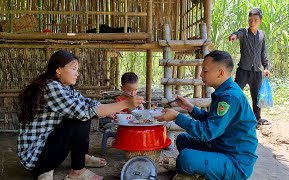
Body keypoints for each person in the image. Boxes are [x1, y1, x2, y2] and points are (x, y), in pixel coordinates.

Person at [17, 50, 144, 180]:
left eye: (77, 69)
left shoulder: (65, 87)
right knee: (81, 117)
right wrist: (125, 104)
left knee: (85, 113)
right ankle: (77, 171)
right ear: (59, 70)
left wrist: (108, 111)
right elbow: (83, 111)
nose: (77, 73)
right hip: (36, 158)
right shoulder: (52, 88)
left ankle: (81, 156)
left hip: (47, 149)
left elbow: (87, 103)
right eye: (73, 69)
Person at [156, 50, 258, 180]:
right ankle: (205, 169)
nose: (200, 74)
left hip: (236, 161)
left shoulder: (229, 97)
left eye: (205, 70)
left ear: (220, 73)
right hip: (221, 147)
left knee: (185, 158)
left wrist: (177, 116)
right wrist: (191, 109)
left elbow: (207, 132)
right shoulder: (225, 91)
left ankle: (206, 171)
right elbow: (213, 121)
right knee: (183, 139)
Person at [228, 7, 271, 126]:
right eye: (250, 19)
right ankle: (229, 117)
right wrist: (233, 36)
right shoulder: (244, 32)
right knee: (234, 93)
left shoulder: (262, 35)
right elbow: (237, 34)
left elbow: (264, 52)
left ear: (260, 21)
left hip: (256, 72)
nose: (252, 22)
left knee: (257, 97)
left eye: (255, 20)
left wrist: (266, 67)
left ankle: (257, 119)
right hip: (243, 70)